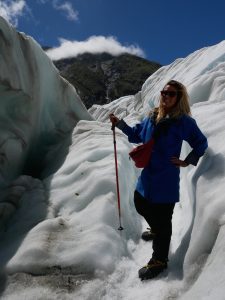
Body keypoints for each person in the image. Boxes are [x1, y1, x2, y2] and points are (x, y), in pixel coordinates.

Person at [109, 80, 208, 280]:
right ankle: (156, 229)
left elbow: (201, 142)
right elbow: (137, 135)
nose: (166, 96)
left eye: (171, 94)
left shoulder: (184, 122)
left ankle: (159, 260)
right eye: (164, 92)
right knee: (139, 203)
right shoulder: (152, 117)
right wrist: (120, 124)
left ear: (179, 98)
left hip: (166, 180)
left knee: (164, 222)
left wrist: (187, 161)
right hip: (148, 177)